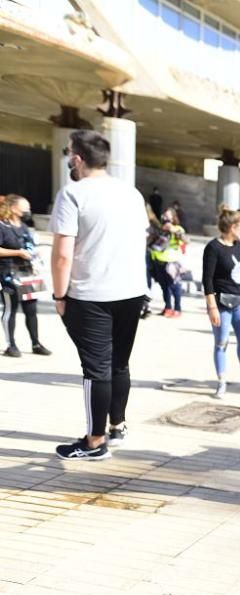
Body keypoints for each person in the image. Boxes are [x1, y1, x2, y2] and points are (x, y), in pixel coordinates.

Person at [49, 129, 148, 460]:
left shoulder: (73, 193)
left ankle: (94, 442)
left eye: (68, 153)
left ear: (77, 158)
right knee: (119, 363)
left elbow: (62, 254)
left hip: (91, 294)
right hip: (132, 291)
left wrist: (59, 296)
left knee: (96, 369)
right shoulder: (132, 193)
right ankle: (117, 426)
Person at [202, 208, 240, 399]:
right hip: (221, 304)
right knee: (221, 342)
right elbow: (208, 280)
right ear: (231, 227)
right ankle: (222, 381)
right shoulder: (213, 248)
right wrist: (211, 306)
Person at [0, 195, 50, 357]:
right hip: (8, 274)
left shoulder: (23, 226)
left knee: (31, 309)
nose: (28, 211)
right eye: (25, 207)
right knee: (11, 309)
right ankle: (11, 345)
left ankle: (36, 343)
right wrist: (17, 252)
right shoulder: (2, 226)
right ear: (13, 208)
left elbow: (30, 247)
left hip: (28, 274)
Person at [148, 207, 186, 317]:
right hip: (159, 260)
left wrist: (173, 230)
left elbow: (185, 239)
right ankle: (168, 307)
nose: (165, 217)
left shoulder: (178, 228)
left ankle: (177, 308)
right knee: (164, 286)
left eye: (168, 215)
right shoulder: (160, 228)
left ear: (173, 217)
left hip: (171, 262)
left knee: (174, 286)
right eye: (164, 215)